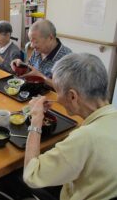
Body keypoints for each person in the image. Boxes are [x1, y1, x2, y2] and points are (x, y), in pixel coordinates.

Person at [23, 53, 117, 199]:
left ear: (73, 96)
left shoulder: (85, 138)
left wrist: (36, 120)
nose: (57, 98)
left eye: (57, 91)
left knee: (13, 180)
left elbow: (31, 175)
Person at [10, 19, 72, 87]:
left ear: (50, 38)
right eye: (31, 41)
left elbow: (65, 88)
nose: (32, 45)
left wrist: (41, 77)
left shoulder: (67, 57)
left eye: (36, 42)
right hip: (33, 90)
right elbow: (30, 68)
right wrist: (20, 65)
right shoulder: (38, 50)